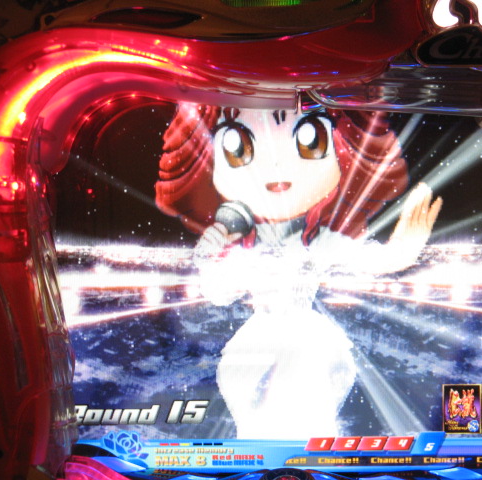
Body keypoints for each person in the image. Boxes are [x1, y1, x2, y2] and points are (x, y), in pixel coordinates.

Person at [156, 103, 442, 439]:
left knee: (311, 419)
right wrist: (212, 254)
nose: (276, 165)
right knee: (256, 425)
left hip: (308, 343)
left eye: (310, 141)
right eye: (238, 147)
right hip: (258, 344)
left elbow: (366, 259)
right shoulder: (242, 246)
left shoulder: (317, 242)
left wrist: (400, 253)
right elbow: (218, 291)